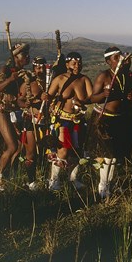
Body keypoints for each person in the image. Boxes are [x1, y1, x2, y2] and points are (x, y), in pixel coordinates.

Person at [87, 47, 132, 199]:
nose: (119, 60)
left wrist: (129, 96)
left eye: (120, 57)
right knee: (106, 156)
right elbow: (92, 98)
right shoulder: (104, 76)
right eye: (116, 58)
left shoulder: (125, 76)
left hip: (118, 119)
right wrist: (103, 94)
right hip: (103, 119)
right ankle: (102, 185)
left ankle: (109, 184)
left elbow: (127, 96)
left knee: (115, 156)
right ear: (108, 62)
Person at [45, 52, 93, 191]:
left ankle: (73, 179)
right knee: (63, 151)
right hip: (62, 120)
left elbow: (91, 98)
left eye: (79, 63)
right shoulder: (59, 79)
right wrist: (46, 97)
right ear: (67, 64)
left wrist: (82, 101)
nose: (77, 66)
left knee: (77, 151)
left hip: (78, 120)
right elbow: (49, 96)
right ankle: (53, 180)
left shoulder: (84, 79)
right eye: (74, 63)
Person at [0, 43, 30, 191]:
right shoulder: (6, 70)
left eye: (27, 54)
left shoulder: (22, 73)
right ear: (16, 56)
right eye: (24, 54)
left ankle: (9, 175)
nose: (27, 57)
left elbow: (18, 97)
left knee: (19, 146)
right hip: (2, 111)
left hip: (14, 111)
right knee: (12, 145)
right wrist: (10, 79)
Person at [16, 56, 47, 190]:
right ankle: (31, 181)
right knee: (31, 153)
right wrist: (26, 104)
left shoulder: (50, 82)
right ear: (34, 68)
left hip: (48, 121)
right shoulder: (28, 84)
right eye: (37, 67)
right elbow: (18, 100)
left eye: (42, 67)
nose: (40, 69)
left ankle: (45, 178)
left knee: (46, 151)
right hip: (31, 121)